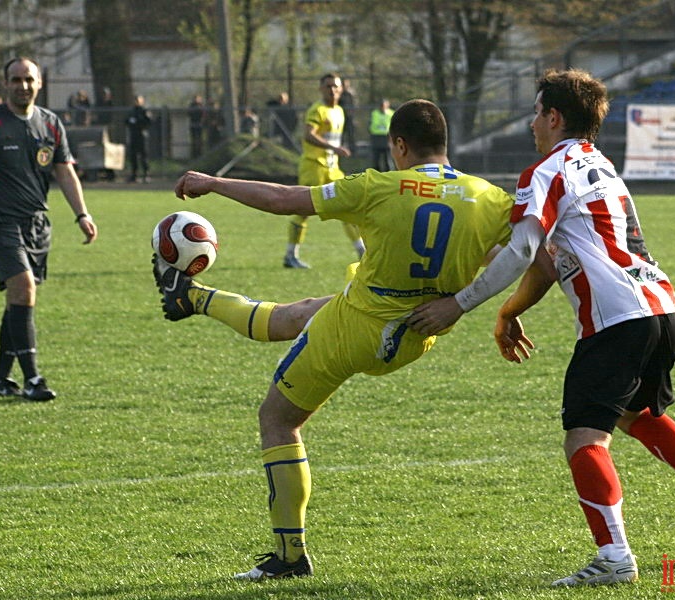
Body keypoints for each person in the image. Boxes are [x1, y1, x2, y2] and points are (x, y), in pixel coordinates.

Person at [407, 68, 675, 586]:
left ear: (554, 116)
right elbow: (547, 264)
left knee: (584, 438)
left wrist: (460, 304)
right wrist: (508, 312)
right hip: (662, 308)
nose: (531, 122)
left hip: (615, 318)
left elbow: (523, 250)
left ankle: (613, 557)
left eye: (537, 110)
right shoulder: (601, 164)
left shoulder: (544, 171)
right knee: (637, 412)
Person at [156, 99, 515, 580]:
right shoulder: (489, 198)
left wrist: (214, 184)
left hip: (356, 328)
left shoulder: (377, 187)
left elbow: (285, 199)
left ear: (400, 145)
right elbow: (524, 257)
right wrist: (499, 307)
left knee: (277, 420)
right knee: (299, 314)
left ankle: (288, 557)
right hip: (416, 335)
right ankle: (194, 299)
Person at [0, 57, 98, 401]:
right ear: (5, 84)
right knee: (23, 290)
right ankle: (33, 380)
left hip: (37, 223)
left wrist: (82, 214)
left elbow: (64, 171)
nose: (22, 86)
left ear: (40, 83)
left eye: (28, 79)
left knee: (18, 298)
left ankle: (2, 381)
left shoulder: (50, 124)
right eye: (15, 79)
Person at [284, 73, 362, 269]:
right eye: (328, 86)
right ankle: (290, 255)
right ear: (320, 89)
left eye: (335, 86)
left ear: (341, 89)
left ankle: (363, 252)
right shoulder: (317, 110)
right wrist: (333, 148)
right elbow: (308, 135)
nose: (332, 90)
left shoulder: (339, 111)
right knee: (303, 210)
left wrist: (335, 151)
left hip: (333, 168)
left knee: (349, 206)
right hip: (314, 165)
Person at [125, 95, 152, 183]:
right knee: (133, 157)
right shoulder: (132, 111)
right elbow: (126, 121)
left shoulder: (144, 111)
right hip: (133, 136)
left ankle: (146, 174)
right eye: (135, 100)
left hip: (142, 136)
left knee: (144, 156)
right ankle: (134, 175)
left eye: (138, 100)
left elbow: (148, 121)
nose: (136, 102)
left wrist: (138, 121)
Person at [369, 98, 395, 171]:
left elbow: (393, 126)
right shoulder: (374, 113)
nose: (382, 107)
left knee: (388, 160)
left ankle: (389, 176)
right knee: (376, 160)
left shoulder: (391, 113)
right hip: (376, 138)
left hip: (387, 138)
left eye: (384, 106)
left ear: (387, 106)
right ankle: (376, 176)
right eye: (381, 106)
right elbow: (372, 126)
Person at [338, 78, 356, 153]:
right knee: (341, 134)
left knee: (351, 133)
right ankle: (340, 149)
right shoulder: (339, 94)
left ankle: (353, 151)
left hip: (349, 117)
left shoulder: (350, 94)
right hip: (340, 117)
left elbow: (354, 104)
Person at [188, 94, 205, 159]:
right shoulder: (191, 105)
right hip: (193, 124)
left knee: (199, 140)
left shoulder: (201, 106)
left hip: (199, 125)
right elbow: (189, 113)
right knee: (194, 140)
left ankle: (200, 154)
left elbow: (203, 114)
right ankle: (194, 154)